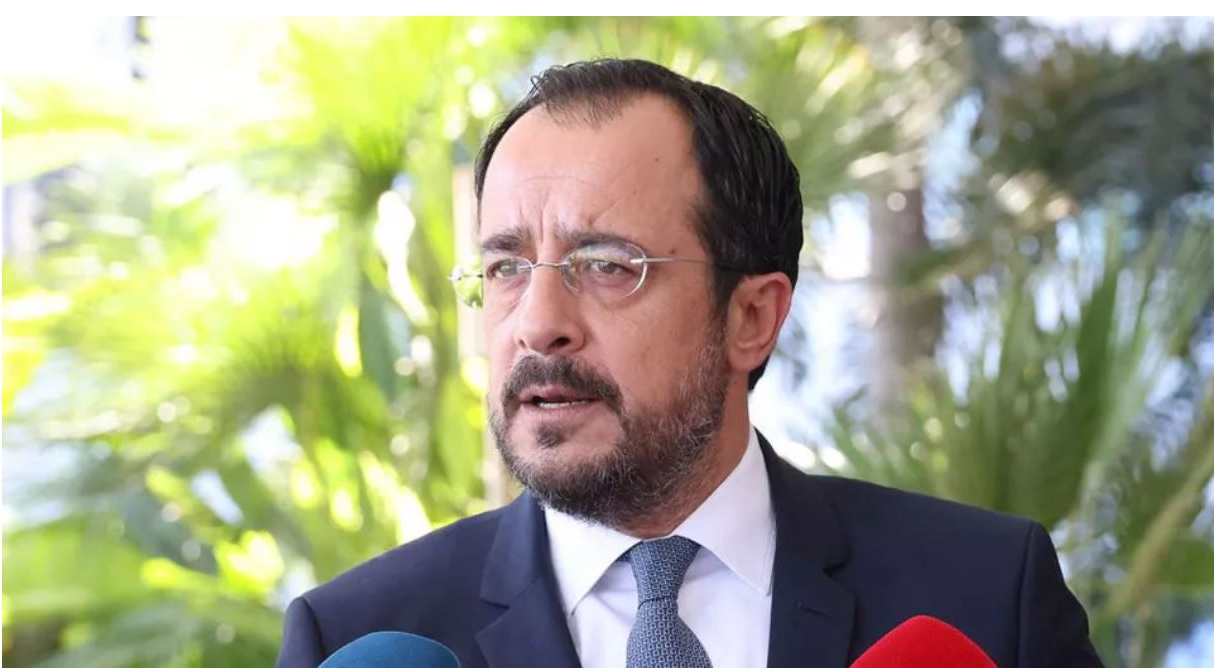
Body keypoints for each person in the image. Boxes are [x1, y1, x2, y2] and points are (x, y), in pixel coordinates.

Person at [275, 58, 1102, 668]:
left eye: (607, 265)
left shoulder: (986, 597)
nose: (538, 324)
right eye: (506, 268)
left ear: (751, 317)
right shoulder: (353, 637)